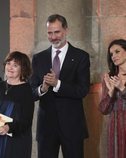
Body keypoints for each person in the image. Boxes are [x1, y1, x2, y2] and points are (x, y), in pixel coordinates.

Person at [30, 14, 90, 158]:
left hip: (72, 126)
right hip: (46, 127)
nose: (53, 37)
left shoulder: (81, 56)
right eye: (50, 33)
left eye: (57, 32)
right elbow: (31, 92)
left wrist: (57, 84)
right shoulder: (38, 58)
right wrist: (42, 88)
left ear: (66, 30)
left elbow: (82, 90)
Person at [99, 39, 126, 158]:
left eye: (117, 51)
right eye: (111, 54)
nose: (114, 56)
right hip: (116, 127)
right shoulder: (109, 78)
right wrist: (110, 93)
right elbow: (103, 109)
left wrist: (122, 89)